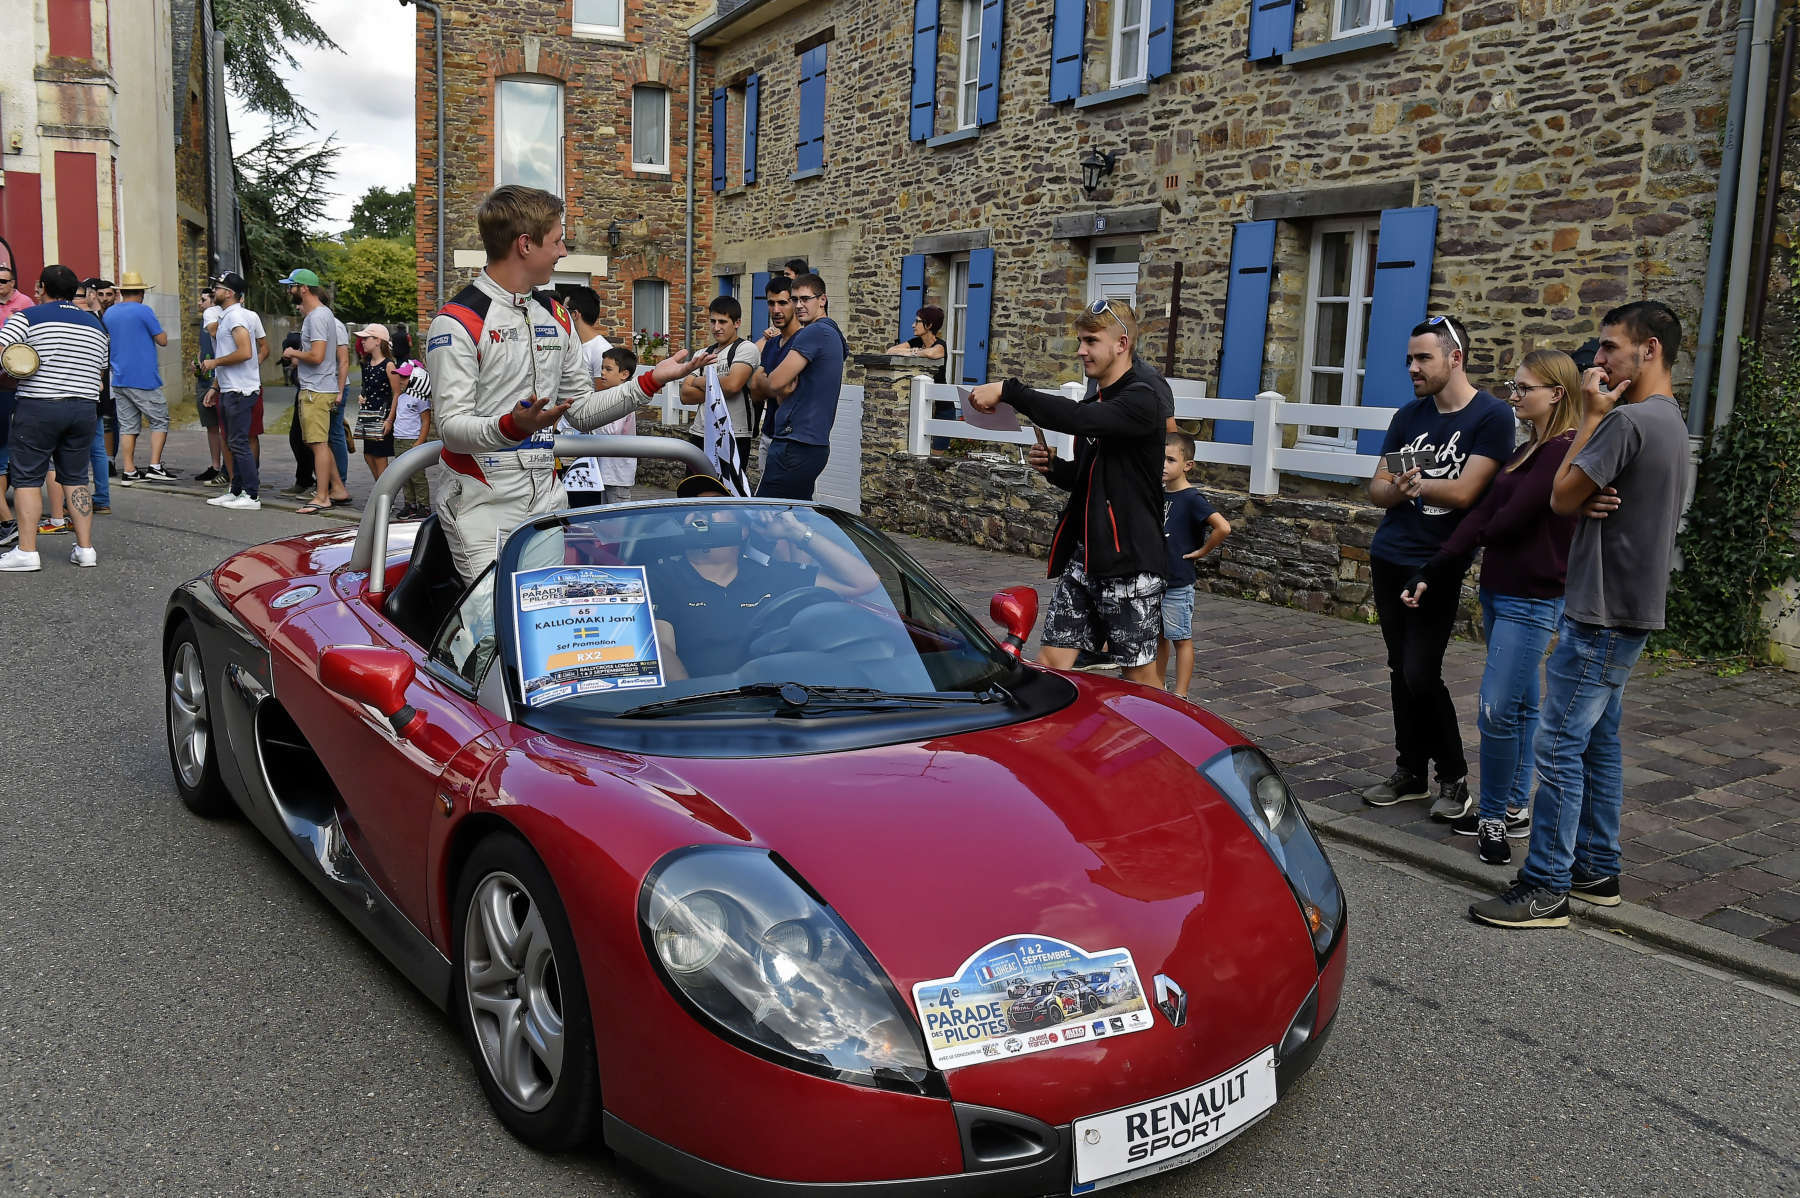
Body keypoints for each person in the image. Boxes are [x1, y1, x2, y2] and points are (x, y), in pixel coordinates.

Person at [1471, 302, 1692, 928]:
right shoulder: (1671, 419)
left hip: (1600, 610)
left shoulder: (1624, 421)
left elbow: (1561, 497)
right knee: (1597, 741)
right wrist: (1585, 490)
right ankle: (1596, 868)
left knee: (1558, 744)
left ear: (1649, 349)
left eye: (1609, 348)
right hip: (1632, 606)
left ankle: (1546, 886)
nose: (1597, 361)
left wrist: (1591, 418)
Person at [424, 184, 714, 583]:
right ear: (525, 244)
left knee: (544, 615)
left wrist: (649, 382)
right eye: (557, 241)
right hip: (481, 502)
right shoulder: (458, 321)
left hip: (546, 499)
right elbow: (451, 429)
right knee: (492, 619)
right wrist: (511, 427)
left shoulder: (556, 315)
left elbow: (581, 412)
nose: (563, 252)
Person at [1402, 349, 1583, 865]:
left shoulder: (1563, 450)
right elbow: (1485, 514)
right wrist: (1436, 566)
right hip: (1500, 591)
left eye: (1524, 388)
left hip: (1533, 597)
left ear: (1557, 393)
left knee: (1497, 710)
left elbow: (1506, 518)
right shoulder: (1528, 449)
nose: (1513, 396)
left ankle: (1495, 816)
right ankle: (1514, 807)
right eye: (1512, 386)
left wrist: (1465, 519)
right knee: (1520, 707)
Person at [966, 299, 1171, 687]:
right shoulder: (1099, 400)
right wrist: (1055, 468)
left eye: (1091, 341)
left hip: (1129, 563)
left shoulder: (1143, 398)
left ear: (1121, 344)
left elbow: (1077, 418)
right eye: (1080, 341)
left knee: (1141, 679)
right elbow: (1092, 477)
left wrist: (1010, 391)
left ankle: (1164, 728)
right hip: (1085, 557)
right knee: (1051, 663)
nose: (1081, 350)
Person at [1360, 315, 1513, 821]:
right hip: (1390, 554)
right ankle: (1410, 772)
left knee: (1422, 671)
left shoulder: (1491, 416)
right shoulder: (1409, 417)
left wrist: (1417, 485)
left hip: (1438, 560)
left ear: (1455, 358)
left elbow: (1467, 491)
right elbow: (1378, 489)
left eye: (1423, 358)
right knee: (1400, 668)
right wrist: (1399, 489)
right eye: (1409, 358)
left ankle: (1454, 776)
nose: (1412, 367)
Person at [651, 506, 878, 680]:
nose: (700, 512)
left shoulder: (772, 574)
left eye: (713, 508)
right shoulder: (662, 577)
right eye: (693, 510)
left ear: (743, 530)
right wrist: (694, 707)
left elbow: (862, 581)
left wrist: (795, 532)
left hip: (781, 704)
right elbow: (662, 649)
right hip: (706, 709)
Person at [0, 265, 109, 570]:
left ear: (43, 288)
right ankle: (85, 549)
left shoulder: (27, 317)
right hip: (84, 407)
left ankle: (27, 551)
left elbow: (4, 352)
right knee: (76, 477)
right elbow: (100, 370)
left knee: (27, 478)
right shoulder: (95, 324)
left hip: (39, 406)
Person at [755, 273, 845, 500]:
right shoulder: (833, 332)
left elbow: (775, 381)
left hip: (794, 441)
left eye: (805, 299)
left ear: (822, 299)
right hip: (813, 444)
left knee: (766, 512)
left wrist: (767, 380)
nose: (798, 305)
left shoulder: (814, 331)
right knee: (795, 513)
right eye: (795, 299)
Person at [1158, 432, 1230, 696]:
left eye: (1170, 460)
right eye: (1160, 458)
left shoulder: (1191, 498)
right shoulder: (1160, 494)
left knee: (1180, 638)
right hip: (1156, 579)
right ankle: (1157, 687)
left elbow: (1223, 527)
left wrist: (1202, 551)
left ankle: (1181, 694)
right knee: (1158, 637)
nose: (1163, 465)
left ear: (1187, 465)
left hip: (1177, 581)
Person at [278, 268, 349, 515]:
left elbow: (317, 356)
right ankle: (338, 488)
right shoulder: (325, 314)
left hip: (316, 390)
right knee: (318, 443)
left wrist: (293, 353)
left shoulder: (316, 317)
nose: (289, 291)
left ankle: (322, 497)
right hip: (321, 388)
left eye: (292, 286)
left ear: (304, 288)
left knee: (318, 444)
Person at [199, 272, 265, 511]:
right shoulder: (231, 315)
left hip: (240, 390)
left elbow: (245, 351)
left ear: (229, 293)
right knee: (233, 441)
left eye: (217, 287)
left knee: (238, 442)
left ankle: (251, 495)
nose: (213, 291)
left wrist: (214, 363)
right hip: (230, 388)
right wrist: (216, 385)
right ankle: (236, 490)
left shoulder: (235, 316)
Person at [105, 271, 175, 484]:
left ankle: (129, 470)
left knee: (127, 425)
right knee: (160, 419)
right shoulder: (144, 311)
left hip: (119, 377)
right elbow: (162, 340)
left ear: (121, 293)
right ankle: (155, 466)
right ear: (141, 293)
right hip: (143, 377)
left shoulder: (109, 313)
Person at [680, 295, 760, 468]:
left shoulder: (745, 348)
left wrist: (699, 381)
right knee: (696, 484)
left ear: (737, 323)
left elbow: (732, 386)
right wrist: (717, 387)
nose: (716, 327)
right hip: (701, 433)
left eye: (722, 322)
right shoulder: (702, 354)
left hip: (734, 434)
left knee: (728, 486)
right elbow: (685, 395)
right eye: (713, 321)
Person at [555, 285, 616, 510]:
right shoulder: (573, 345)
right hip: (565, 434)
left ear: (575, 314)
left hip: (584, 442)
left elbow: (604, 397)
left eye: (564, 310)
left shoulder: (600, 350)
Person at [749, 274, 798, 478]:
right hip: (768, 432)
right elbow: (754, 390)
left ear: (795, 303)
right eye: (771, 303)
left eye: (782, 303)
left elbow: (785, 392)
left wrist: (766, 382)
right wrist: (770, 385)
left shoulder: (802, 342)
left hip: (791, 439)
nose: (776, 310)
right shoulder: (771, 344)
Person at [888, 304, 950, 451]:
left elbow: (932, 353)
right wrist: (915, 350)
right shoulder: (916, 342)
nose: (913, 325)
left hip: (942, 407)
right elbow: (891, 351)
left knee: (936, 454)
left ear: (929, 325)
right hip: (920, 404)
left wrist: (912, 353)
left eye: (917, 321)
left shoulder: (940, 345)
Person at [355, 323, 402, 486]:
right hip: (367, 416)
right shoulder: (366, 363)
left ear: (377, 341)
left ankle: (384, 494)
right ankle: (380, 490)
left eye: (366, 338)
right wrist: (362, 396)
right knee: (368, 454)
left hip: (382, 418)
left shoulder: (389, 365)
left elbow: (397, 393)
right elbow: (366, 387)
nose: (362, 341)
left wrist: (390, 420)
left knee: (379, 456)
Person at [389, 359, 433, 518]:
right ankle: (410, 504)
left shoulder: (420, 398)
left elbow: (426, 421)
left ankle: (424, 506)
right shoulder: (401, 397)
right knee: (404, 476)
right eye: (400, 376)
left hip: (413, 441)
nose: (400, 380)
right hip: (399, 441)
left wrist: (419, 442)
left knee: (417, 476)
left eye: (404, 377)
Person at [193, 285, 229, 485]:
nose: (200, 304)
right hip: (204, 377)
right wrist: (196, 361)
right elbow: (202, 347)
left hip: (219, 378)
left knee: (224, 425)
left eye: (203, 300)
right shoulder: (203, 322)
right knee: (211, 425)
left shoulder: (222, 319)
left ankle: (227, 467)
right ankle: (215, 466)